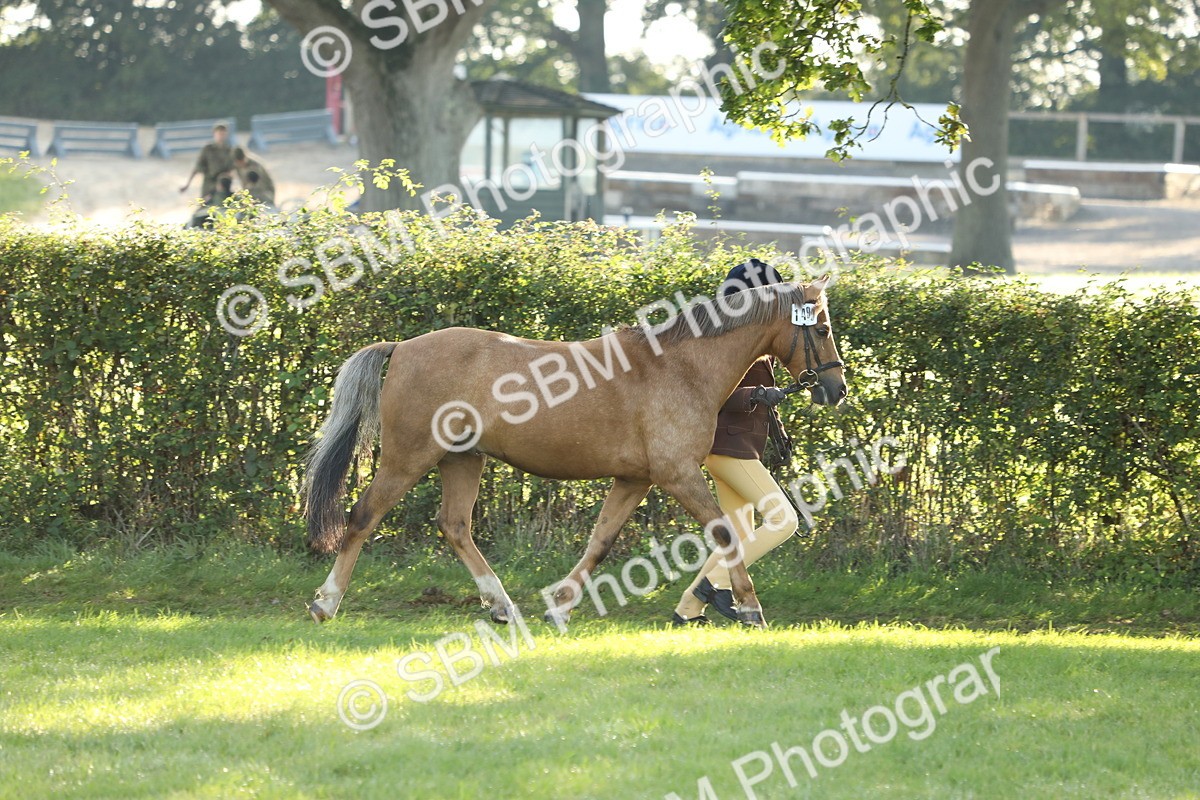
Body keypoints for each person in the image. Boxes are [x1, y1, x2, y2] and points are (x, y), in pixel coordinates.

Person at [672, 258, 801, 626]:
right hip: (731, 449)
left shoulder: (748, 333)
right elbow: (711, 394)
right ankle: (714, 585)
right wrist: (759, 394)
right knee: (784, 520)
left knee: (740, 533)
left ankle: (687, 610)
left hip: (734, 447)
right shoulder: (732, 338)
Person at [180, 123, 234, 200]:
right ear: (214, 134)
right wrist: (187, 185)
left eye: (223, 134)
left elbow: (232, 169)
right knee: (205, 206)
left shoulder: (228, 150)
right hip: (208, 184)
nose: (221, 136)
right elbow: (197, 167)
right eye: (219, 133)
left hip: (223, 186)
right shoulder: (208, 149)